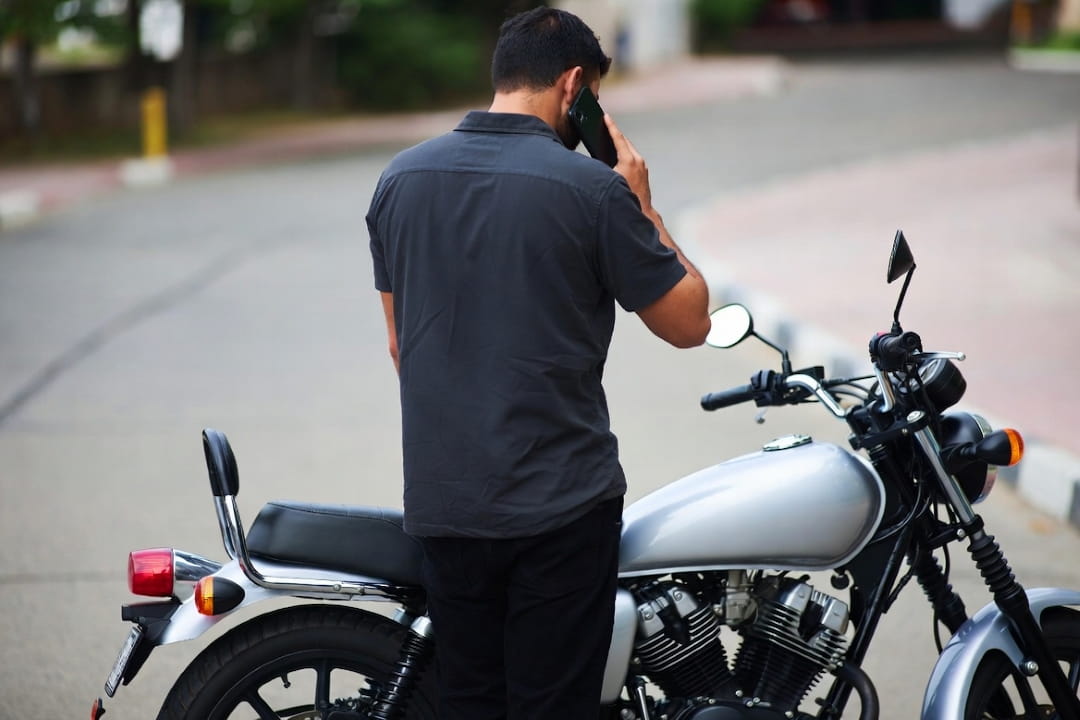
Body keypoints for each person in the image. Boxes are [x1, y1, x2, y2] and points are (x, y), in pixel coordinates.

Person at [365, 6, 710, 719]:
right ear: (573, 86)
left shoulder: (399, 181)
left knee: (472, 703)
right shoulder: (594, 192)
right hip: (559, 511)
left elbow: (404, 348)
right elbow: (689, 322)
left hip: (445, 503)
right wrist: (642, 203)